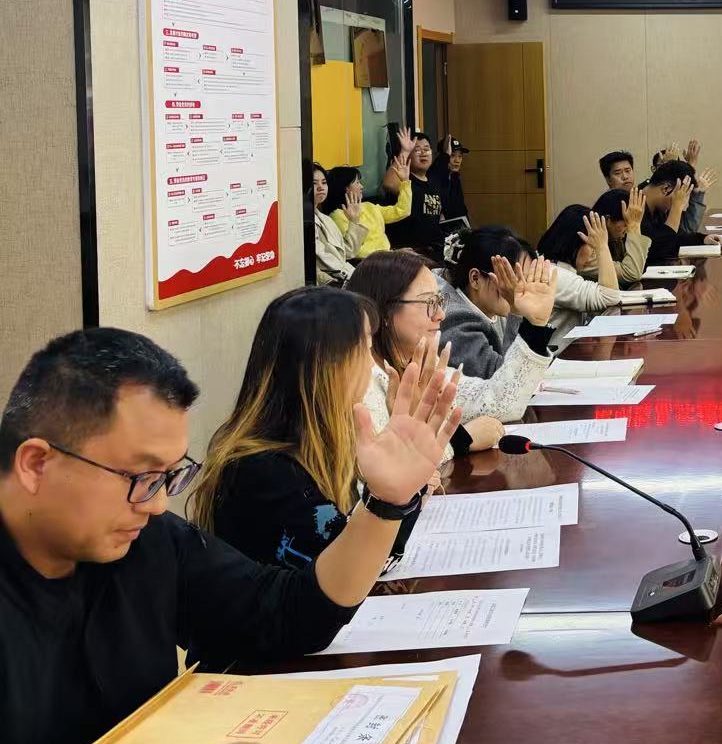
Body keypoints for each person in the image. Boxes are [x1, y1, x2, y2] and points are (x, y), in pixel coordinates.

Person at [0, 326, 456, 744]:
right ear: (36, 464)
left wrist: (385, 503)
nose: (157, 504)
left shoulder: (147, 539)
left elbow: (287, 615)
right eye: (139, 476)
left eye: (168, 476)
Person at [191, 287, 430, 570]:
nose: (371, 365)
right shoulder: (266, 472)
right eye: (365, 348)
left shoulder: (320, 442)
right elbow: (356, 572)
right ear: (326, 365)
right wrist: (395, 491)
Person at [344, 250, 512, 448]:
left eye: (439, 301)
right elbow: (379, 462)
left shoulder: (418, 362)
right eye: (429, 302)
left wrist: (533, 323)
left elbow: (499, 400)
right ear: (385, 311)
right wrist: (460, 442)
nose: (440, 314)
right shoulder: (362, 381)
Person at [436, 227, 562, 381]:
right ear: (475, 278)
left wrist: (535, 319)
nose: (523, 288)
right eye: (513, 278)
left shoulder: (492, 304)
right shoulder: (454, 319)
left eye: (527, 278)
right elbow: (504, 383)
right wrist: (518, 313)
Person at [535, 203, 624, 344]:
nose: (593, 254)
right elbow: (610, 297)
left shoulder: (553, 267)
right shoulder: (554, 274)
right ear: (575, 242)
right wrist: (602, 247)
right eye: (592, 246)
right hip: (556, 355)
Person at [323, 131, 415, 260]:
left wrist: (405, 182)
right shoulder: (337, 215)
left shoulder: (369, 207)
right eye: (357, 182)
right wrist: (392, 254)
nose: (361, 186)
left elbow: (402, 211)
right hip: (366, 265)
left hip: (387, 259)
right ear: (345, 188)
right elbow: (356, 252)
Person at [382, 127, 449, 257]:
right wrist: (405, 151)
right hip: (409, 253)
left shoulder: (434, 181)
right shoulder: (405, 180)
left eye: (426, 149)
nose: (423, 153)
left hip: (434, 251)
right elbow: (388, 183)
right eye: (417, 150)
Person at [640, 159, 714, 265]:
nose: (683, 202)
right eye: (681, 197)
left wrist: (703, 239)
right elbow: (660, 249)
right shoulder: (634, 207)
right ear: (666, 188)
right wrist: (677, 205)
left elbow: (677, 237)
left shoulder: (657, 208)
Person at [310, 162, 362, 285]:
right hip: (330, 283)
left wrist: (354, 221)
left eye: (324, 183)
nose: (320, 187)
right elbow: (324, 260)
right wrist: (353, 277)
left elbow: (347, 252)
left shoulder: (325, 219)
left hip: (343, 276)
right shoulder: (304, 221)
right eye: (314, 183)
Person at [429, 137, 470, 224]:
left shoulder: (455, 177)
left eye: (460, 156)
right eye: (452, 155)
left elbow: (460, 208)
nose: (457, 161)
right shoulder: (433, 177)